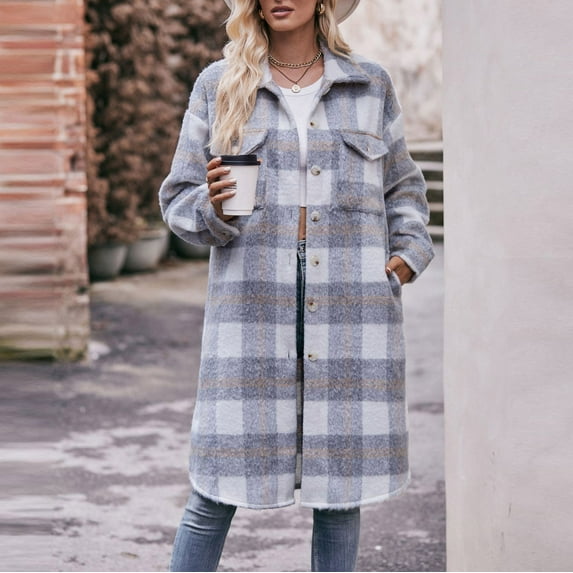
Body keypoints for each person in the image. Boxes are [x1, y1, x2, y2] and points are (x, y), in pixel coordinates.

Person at [159, 0, 434, 570]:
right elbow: (178, 198)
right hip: (252, 306)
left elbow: (403, 187)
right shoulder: (219, 84)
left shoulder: (370, 86)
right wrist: (212, 208)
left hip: (352, 308)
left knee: (340, 495)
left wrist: (405, 258)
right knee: (215, 486)